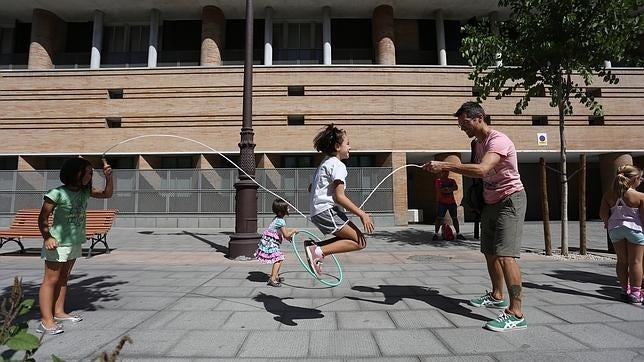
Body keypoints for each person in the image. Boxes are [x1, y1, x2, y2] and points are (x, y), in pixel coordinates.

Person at [423, 101, 527, 332]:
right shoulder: (477, 143)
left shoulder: (498, 140)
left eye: (465, 122)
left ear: (479, 117)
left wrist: (445, 165)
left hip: (510, 200)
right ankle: (497, 295)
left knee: (506, 256)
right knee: (489, 252)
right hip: (490, 202)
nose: (462, 127)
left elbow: (481, 170)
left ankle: (517, 313)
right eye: (460, 124)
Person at [36, 157, 113, 335]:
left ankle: (59, 312)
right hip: (57, 242)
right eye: (88, 172)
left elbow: (107, 194)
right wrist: (47, 237)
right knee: (50, 280)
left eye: (91, 173)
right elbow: (42, 217)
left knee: (63, 278)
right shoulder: (57, 193)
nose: (90, 176)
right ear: (75, 173)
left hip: (74, 240)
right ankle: (46, 321)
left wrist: (109, 178)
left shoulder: (85, 191)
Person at [306, 124, 374, 277]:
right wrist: (362, 214)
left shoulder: (324, 163)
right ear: (337, 146)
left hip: (319, 211)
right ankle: (318, 251)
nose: (350, 147)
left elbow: (311, 188)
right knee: (360, 241)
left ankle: (315, 248)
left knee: (357, 240)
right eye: (348, 143)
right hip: (325, 211)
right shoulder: (338, 165)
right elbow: (339, 197)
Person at [599, 165, 644, 304]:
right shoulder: (639, 196)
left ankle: (624, 290)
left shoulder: (609, 194)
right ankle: (636, 293)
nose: (641, 180)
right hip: (635, 230)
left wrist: (607, 222)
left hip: (615, 229)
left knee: (622, 260)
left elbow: (602, 213)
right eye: (640, 178)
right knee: (635, 262)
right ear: (634, 179)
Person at [255, 198, 298, 287]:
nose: (289, 209)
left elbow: (283, 233)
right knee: (278, 259)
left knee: (278, 259)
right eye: (287, 207)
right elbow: (286, 234)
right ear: (282, 210)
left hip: (269, 242)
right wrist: (293, 231)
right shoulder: (280, 221)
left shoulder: (277, 219)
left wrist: (289, 237)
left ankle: (276, 276)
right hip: (270, 244)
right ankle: (273, 279)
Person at [433, 171, 465, 241]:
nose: (446, 174)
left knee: (454, 218)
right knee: (438, 218)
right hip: (442, 202)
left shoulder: (451, 180)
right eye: (444, 172)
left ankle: (458, 233)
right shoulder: (438, 181)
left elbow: (456, 187)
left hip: (452, 202)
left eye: (447, 173)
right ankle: (436, 234)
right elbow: (442, 190)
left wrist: (448, 189)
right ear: (441, 173)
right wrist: (450, 189)